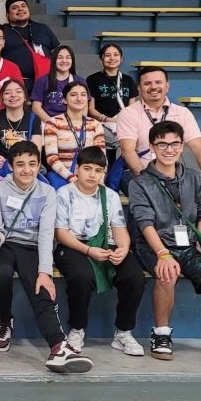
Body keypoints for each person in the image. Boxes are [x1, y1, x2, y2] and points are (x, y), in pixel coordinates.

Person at [128, 121, 201, 361]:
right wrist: (163, 254)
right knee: (167, 274)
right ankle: (161, 333)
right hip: (153, 245)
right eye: (162, 144)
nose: (169, 149)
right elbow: (144, 223)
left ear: (182, 146)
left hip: (189, 245)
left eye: (174, 144)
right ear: (152, 147)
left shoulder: (192, 177)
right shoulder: (140, 182)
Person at [0, 141, 93, 372]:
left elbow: (45, 234)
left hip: (32, 247)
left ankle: (58, 346)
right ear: (11, 166)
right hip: (4, 244)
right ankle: (5, 320)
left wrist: (45, 271)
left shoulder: (47, 193)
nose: (26, 170)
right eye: (20, 164)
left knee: (41, 288)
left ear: (38, 165)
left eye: (32, 164)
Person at [53, 146, 146, 357]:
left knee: (134, 276)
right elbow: (60, 233)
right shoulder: (64, 194)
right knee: (81, 277)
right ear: (77, 169)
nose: (92, 174)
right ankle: (77, 329)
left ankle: (123, 332)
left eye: (98, 170)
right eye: (87, 169)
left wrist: (122, 249)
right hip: (73, 245)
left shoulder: (110, 196)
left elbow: (120, 229)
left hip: (105, 244)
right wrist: (88, 250)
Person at [117, 66, 201, 198]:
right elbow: (127, 150)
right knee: (149, 194)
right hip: (141, 172)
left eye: (158, 82)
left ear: (167, 86)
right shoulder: (128, 113)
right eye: (147, 83)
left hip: (173, 172)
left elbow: (198, 147)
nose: (153, 87)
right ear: (139, 88)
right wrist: (149, 181)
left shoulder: (182, 113)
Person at [44, 82, 106, 189]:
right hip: (63, 178)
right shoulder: (53, 123)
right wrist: (73, 179)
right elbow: (52, 158)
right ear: (64, 99)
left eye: (83, 94)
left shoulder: (95, 124)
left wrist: (99, 180)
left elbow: (102, 157)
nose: (79, 98)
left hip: (90, 178)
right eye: (73, 95)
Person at [0, 79, 44, 186]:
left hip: (25, 168)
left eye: (18, 91)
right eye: (7, 93)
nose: (13, 95)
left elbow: (36, 153)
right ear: (2, 98)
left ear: (25, 96)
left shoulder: (33, 118)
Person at [86, 43, 138, 162]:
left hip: (124, 123)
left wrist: (124, 120)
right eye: (107, 55)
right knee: (107, 159)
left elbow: (132, 107)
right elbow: (91, 109)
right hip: (102, 124)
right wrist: (107, 119)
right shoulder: (92, 79)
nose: (112, 58)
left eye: (116, 55)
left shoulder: (128, 80)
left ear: (121, 58)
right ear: (101, 59)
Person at [2, 0, 60, 93]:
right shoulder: (2, 31)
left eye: (23, 6)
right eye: (15, 7)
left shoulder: (43, 28)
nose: (20, 9)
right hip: (14, 85)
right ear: (7, 14)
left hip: (45, 83)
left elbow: (57, 52)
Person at [31, 45, 88, 123]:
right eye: (60, 57)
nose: (64, 61)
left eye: (68, 57)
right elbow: (36, 107)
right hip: (48, 122)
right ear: (54, 60)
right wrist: (52, 123)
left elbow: (84, 105)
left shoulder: (80, 80)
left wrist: (79, 123)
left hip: (74, 123)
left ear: (72, 60)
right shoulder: (43, 80)